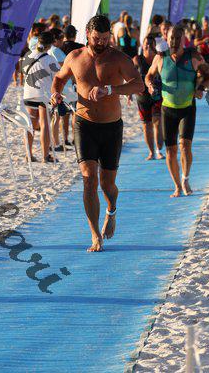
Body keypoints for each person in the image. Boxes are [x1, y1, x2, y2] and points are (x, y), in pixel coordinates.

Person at [51, 15, 144, 252]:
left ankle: (111, 210)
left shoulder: (119, 58)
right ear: (87, 35)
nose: (101, 42)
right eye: (96, 38)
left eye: (105, 38)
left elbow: (138, 85)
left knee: (107, 184)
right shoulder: (74, 57)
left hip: (111, 127)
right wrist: (55, 94)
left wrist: (111, 89)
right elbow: (59, 78)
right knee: (88, 178)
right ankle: (95, 235)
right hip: (84, 124)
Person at [145, 24, 209, 198]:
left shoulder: (194, 57)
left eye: (177, 38)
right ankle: (176, 185)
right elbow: (148, 75)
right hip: (168, 110)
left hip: (187, 108)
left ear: (183, 39)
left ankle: (185, 178)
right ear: (166, 39)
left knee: (185, 145)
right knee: (171, 151)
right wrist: (150, 85)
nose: (174, 41)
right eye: (171, 38)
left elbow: (208, 75)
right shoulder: (160, 58)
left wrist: (201, 88)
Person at [23, 31, 60, 163]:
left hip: (29, 93)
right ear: (50, 45)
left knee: (30, 125)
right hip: (44, 95)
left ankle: (28, 155)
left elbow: (23, 71)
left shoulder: (28, 56)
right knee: (45, 124)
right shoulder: (50, 59)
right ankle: (45, 156)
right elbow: (58, 77)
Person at [132, 35, 163, 160]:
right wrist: (129, 93)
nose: (148, 45)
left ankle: (159, 150)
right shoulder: (137, 59)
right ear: (142, 44)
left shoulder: (159, 58)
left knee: (157, 121)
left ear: (155, 45)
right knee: (146, 125)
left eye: (151, 43)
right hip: (142, 96)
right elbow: (131, 76)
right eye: (146, 43)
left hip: (157, 95)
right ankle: (151, 152)